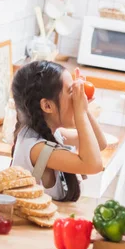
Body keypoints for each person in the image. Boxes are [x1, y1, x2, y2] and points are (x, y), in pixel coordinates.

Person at [11, 61, 108, 201]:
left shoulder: (51, 133)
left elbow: (99, 144)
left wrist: (84, 109)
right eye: (71, 91)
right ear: (47, 106)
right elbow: (93, 165)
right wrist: (80, 112)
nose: (76, 97)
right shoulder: (36, 148)